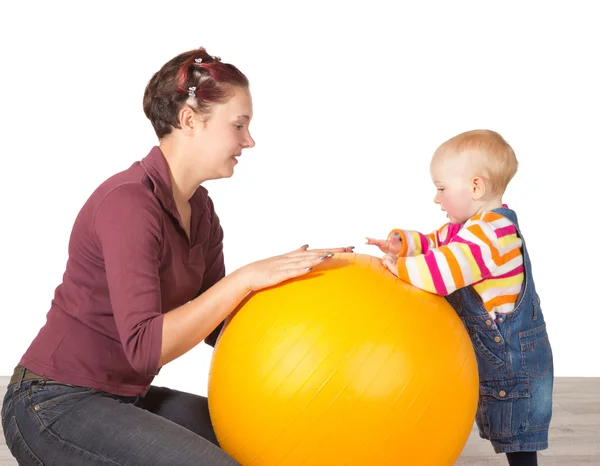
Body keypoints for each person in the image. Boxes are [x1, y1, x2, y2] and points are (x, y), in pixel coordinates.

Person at [1, 47, 353, 466]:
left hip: (127, 397)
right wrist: (243, 279)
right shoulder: (128, 204)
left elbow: (218, 328)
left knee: (271, 444)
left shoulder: (200, 210)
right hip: (52, 403)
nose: (249, 140)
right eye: (238, 125)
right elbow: (147, 348)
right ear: (190, 121)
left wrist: (312, 314)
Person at [366, 129, 553, 466]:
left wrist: (400, 267)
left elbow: (443, 272)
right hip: (490, 360)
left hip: (511, 365)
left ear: (476, 187)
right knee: (507, 435)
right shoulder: (469, 228)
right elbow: (436, 243)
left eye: (441, 189)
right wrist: (403, 244)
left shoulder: (491, 235)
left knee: (518, 442)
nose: (436, 199)